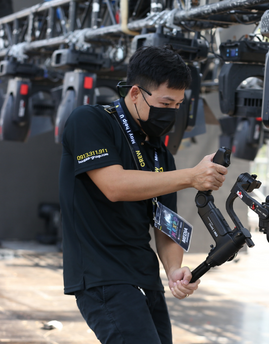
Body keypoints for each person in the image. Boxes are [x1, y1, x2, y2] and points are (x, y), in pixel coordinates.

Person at [59, 45, 228, 344]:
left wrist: (174, 269)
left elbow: (167, 224)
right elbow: (115, 186)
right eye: (165, 102)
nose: (172, 113)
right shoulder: (90, 121)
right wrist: (191, 176)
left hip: (145, 278)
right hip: (102, 275)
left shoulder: (161, 153)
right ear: (135, 93)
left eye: (177, 105)